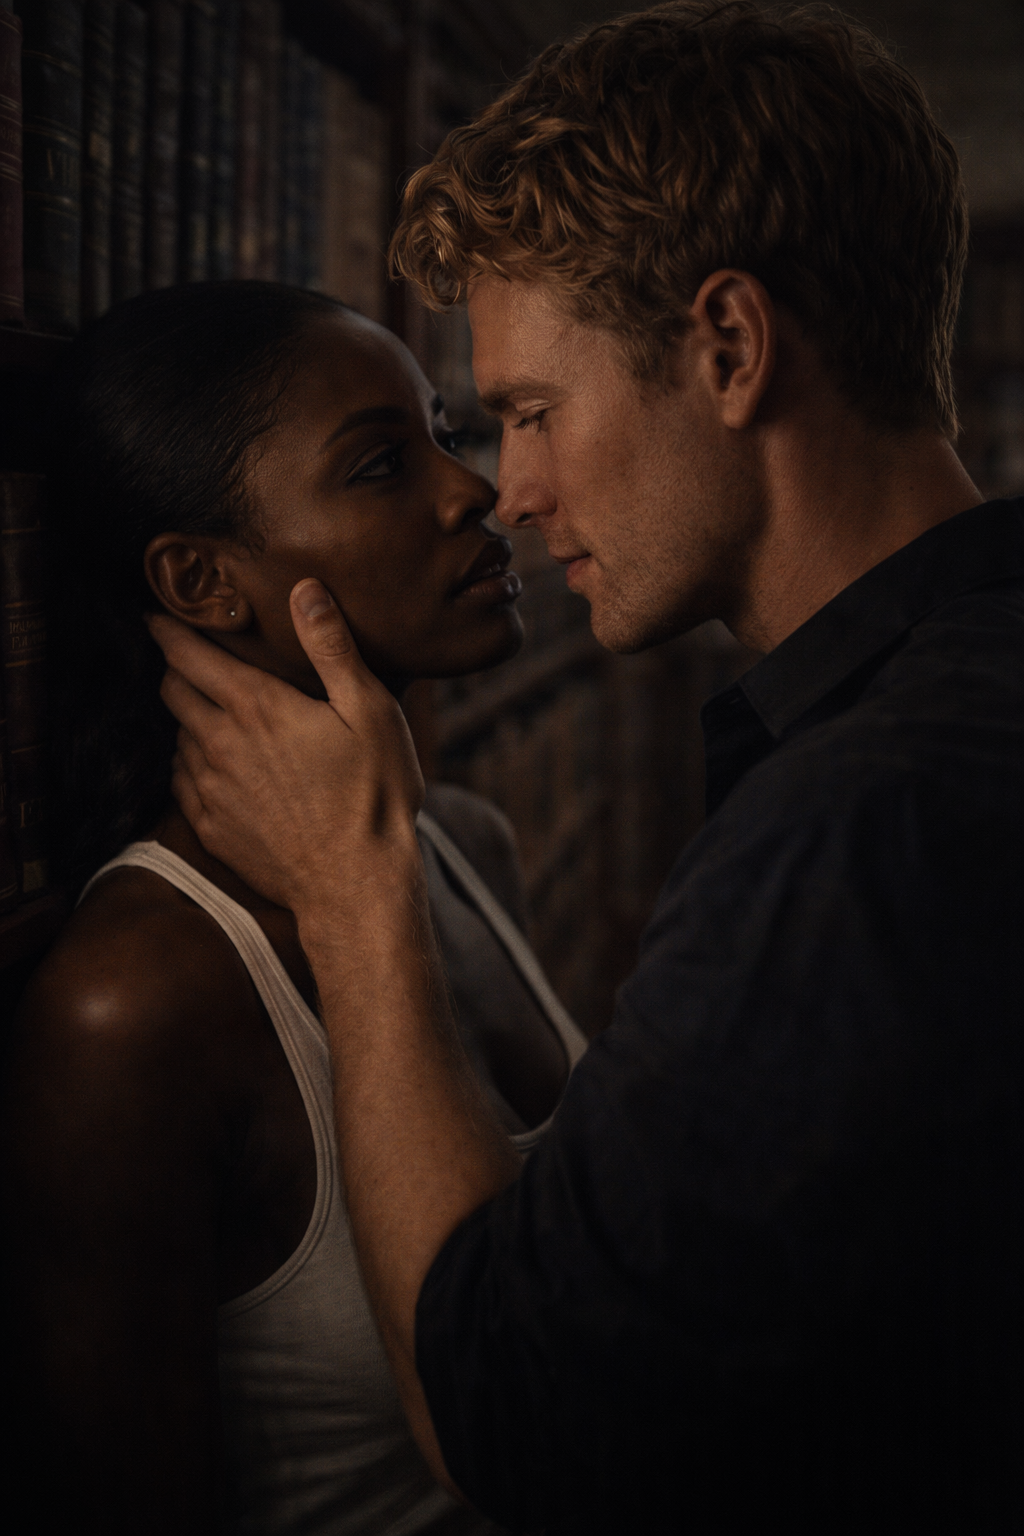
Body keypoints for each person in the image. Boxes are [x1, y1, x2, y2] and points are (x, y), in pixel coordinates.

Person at [149, 3, 1023, 1532]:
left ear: (731, 347)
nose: (513, 496)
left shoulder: (853, 828)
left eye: (531, 414)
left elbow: (529, 1426)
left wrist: (361, 906)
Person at [1, 281, 587, 1536]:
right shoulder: (133, 1008)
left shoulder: (461, 842)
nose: (472, 489)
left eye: (441, 430)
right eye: (382, 465)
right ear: (204, 583)